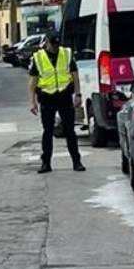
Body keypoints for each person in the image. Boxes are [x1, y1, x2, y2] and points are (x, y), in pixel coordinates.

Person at [28, 32, 85, 174]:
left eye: (57, 44)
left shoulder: (66, 54)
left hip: (64, 96)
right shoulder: (38, 57)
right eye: (52, 44)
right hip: (47, 97)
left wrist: (78, 94)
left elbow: (75, 75)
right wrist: (32, 102)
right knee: (47, 131)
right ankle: (46, 163)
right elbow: (33, 81)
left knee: (70, 130)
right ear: (46, 43)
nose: (55, 47)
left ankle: (76, 161)